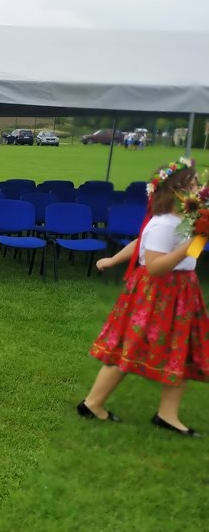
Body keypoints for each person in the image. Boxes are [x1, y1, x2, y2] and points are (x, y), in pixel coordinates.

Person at [77, 158, 208, 437]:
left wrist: (197, 240)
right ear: (175, 191)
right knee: (130, 348)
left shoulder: (182, 220)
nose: (199, 189)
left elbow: (143, 244)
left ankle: (167, 415)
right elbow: (155, 266)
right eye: (193, 185)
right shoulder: (164, 224)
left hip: (182, 291)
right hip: (159, 294)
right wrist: (190, 245)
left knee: (181, 351)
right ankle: (92, 403)